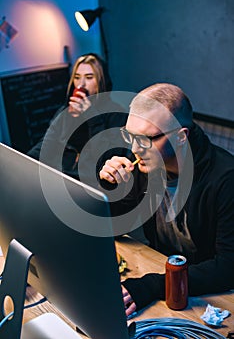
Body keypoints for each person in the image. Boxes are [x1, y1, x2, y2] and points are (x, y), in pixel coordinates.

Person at [99, 83, 234, 317]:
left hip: (208, 297)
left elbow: (227, 268)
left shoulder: (225, 179)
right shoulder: (145, 164)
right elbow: (114, 227)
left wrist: (153, 285)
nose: (135, 149)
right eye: (130, 136)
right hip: (166, 278)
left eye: (146, 139)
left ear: (181, 137)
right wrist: (109, 189)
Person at [28, 53, 128, 187]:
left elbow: (107, 157)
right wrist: (22, 162)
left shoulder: (116, 113)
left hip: (94, 186)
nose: (81, 84)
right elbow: (46, 144)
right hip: (62, 180)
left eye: (89, 77)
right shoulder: (66, 111)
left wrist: (91, 115)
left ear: (101, 81)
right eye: (77, 77)